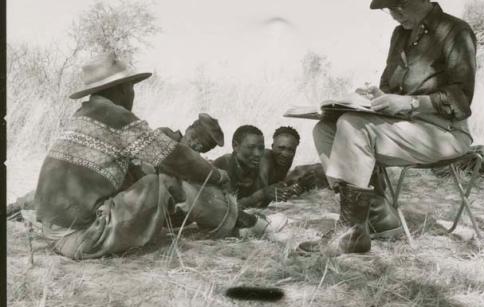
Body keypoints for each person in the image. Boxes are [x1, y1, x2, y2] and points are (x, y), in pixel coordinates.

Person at [299, 0, 477, 256]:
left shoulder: (455, 31)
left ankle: (352, 233)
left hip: (444, 133)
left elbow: (460, 100)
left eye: (401, 4)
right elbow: (390, 87)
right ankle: (376, 217)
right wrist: (373, 96)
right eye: (389, 8)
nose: (395, 13)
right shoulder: (400, 35)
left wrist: (407, 104)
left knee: (353, 128)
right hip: (405, 129)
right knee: (325, 129)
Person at [33, 53, 281, 260]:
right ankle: (244, 222)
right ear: (120, 89)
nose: (132, 93)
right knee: (166, 180)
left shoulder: (82, 116)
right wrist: (216, 175)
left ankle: (235, 220)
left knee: (144, 174)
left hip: (53, 234)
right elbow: (174, 157)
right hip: (83, 238)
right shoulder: (116, 117)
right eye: (131, 87)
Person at [213, 125, 291, 208]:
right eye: (251, 147)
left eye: (261, 148)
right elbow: (224, 209)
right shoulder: (222, 165)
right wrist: (261, 194)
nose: (257, 154)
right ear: (235, 146)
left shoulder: (257, 167)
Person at [159, 113, 224, 154]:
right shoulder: (164, 135)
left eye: (198, 145)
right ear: (188, 129)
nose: (192, 143)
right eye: (193, 136)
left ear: (202, 151)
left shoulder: (196, 167)